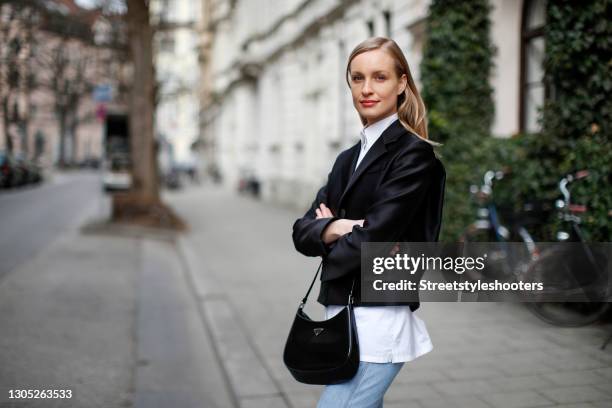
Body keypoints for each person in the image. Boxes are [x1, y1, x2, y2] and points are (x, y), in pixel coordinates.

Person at [291, 37, 446, 407]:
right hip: (340, 312)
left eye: (379, 77)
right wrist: (341, 227)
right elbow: (301, 232)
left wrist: (332, 235)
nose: (367, 89)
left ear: (402, 83)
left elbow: (375, 238)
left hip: (380, 315)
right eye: (357, 79)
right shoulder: (347, 158)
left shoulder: (414, 156)